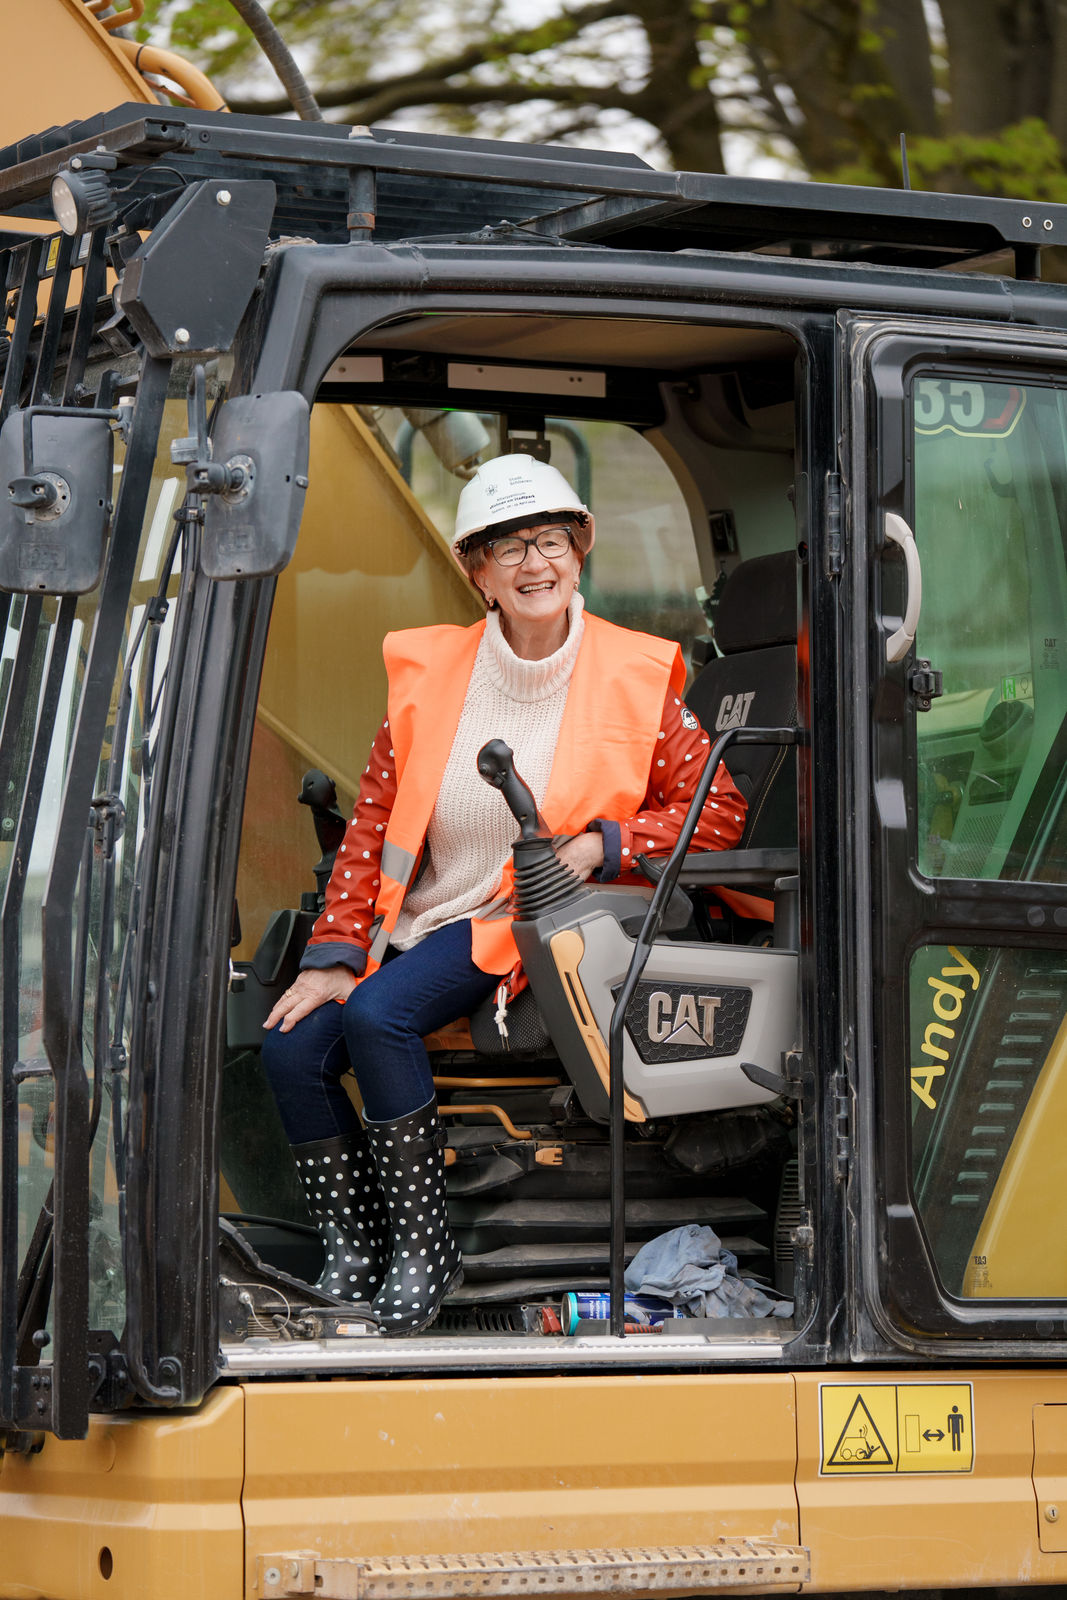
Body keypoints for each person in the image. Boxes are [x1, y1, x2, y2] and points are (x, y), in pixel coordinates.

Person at [261, 453, 747, 1335]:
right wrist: (335, 953)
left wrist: (604, 844)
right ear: (476, 571)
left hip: (526, 920)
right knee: (293, 1046)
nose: (535, 563)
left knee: (380, 1017)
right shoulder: (429, 674)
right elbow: (372, 827)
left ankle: (425, 1249)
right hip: (424, 917)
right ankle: (355, 1244)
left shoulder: (635, 675)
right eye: (509, 547)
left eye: (552, 541)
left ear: (579, 554)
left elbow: (715, 813)